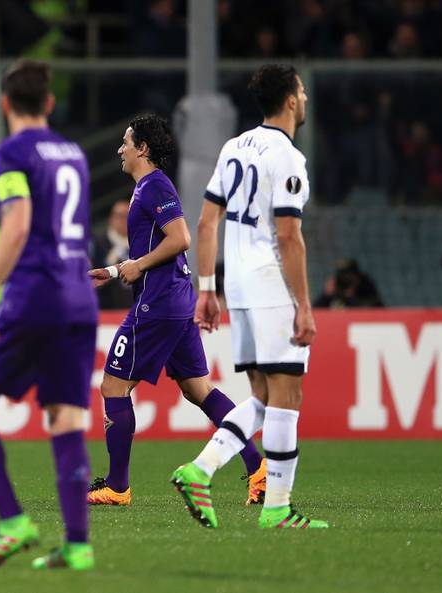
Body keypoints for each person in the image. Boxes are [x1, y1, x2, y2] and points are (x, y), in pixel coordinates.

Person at [0, 59, 97, 570]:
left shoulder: (11, 150)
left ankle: (13, 522)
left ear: (5, 104)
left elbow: (16, 225)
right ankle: (77, 545)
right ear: (51, 103)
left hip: (33, 295)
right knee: (66, 417)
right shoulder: (74, 153)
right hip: (80, 297)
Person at [173, 64, 328, 529]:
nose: (303, 98)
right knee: (288, 394)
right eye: (300, 91)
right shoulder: (288, 157)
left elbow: (205, 223)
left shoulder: (233, 147)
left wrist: (207, 289)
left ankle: (200, 469)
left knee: (263, 395)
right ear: (291, 100)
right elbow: (289, 236)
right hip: (270, 284)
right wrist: (303, 303)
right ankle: (277, 508)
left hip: (237, 284)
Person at [86, 115, 265, 508]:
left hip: (159, 303)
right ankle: (258, 469)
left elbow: (180, 238)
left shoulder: (154, 186)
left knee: (113, 387)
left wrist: (135, 266)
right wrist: (118, 269)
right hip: (174, 300)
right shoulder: (145, 189)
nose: (120, 149)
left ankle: (117, 487)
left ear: (143, 149)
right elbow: (156, 248)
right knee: (197, 389)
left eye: (126, 142)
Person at [91, 200, 133, 309]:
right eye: (119, 216)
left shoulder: (140, 241)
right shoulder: (99, 242)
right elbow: (93, 272)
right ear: (111, 219)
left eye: (127, 216)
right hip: (108, 305)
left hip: (135, 305)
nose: (123, 220)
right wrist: (108, 262)